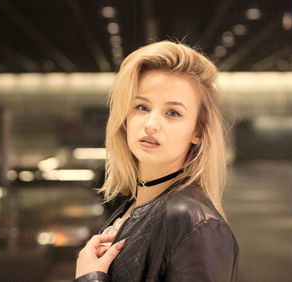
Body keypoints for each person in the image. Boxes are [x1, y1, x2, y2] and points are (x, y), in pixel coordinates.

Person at [74, 41, 238, 282]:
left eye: (172, 113)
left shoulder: (194, 223)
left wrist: (89, 278)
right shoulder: (133, 203)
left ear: (198, 131)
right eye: (141, 106)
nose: (151, 124)